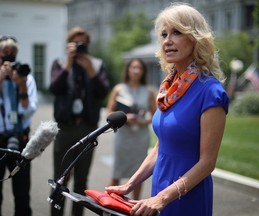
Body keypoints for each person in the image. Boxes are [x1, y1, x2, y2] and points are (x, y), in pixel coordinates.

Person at [105, 3, 229, 216]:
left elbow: (207, 163)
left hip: (187, 196)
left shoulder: (210, 91)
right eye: (163, 35)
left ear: (195, 38)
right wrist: (130, 185)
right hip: (159, 190)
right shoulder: (168, 88)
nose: (167, 41)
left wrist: (163, 198)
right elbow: (160, 146)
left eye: (177, 32)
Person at [49, 27, 109, 216]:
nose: (79, 46)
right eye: (76, 42)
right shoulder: (59, 63)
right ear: (69, 44)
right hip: (65, 128)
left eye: (83, 43)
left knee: (81, 182)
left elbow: (103, 91)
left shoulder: (97, 64)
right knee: (60, 180)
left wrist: (90, 70)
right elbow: (54, 89)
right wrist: (68, 64)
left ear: (88, 45)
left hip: (88, 128)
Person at [106, 58, 156, 200]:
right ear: (128, 69)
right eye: (133, 67)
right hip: (123, 136)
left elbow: (155, 116)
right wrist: (124, 117)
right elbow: (108, 113)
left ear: (143, 71)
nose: (136, 71)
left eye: (139, 68)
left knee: (139, 174)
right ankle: (110, 205)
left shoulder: (149, 91)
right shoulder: (119, 89)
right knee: (117, 172)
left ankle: (134, 206)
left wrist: (141, 121)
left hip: (140, 137)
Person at [0, 36, 38, 216]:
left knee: (22, 193)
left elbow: (29, 110)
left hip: (20, 138)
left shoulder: (25, 77)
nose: (8, 58)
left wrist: (21, 85)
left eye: (12, 54)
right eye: (4, 54)